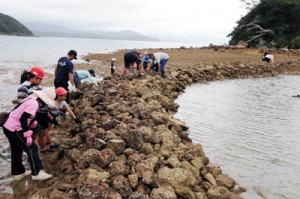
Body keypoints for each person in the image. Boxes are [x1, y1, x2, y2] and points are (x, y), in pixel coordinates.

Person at [3, 88, 55, 181]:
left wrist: (33, 124)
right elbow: (23, 119)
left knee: (16, 150)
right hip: (15, 128)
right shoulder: (34, 104)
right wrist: (27, 134)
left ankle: (18, 172)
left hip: (8, 126)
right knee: (32, 148)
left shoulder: (30, 99)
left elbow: (22, 114)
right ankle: (37, 173)